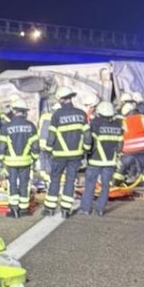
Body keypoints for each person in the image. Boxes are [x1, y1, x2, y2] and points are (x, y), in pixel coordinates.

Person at [44, 86, 88, 218]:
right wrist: (85, 150)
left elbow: (51, 137)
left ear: (61, 99)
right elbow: (87, 136)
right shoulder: (81, 114)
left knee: (55, 180)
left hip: (59, 155)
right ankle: (66, 209)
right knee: (70, 181)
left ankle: (50, 208)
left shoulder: (57, 115)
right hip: (76, 155)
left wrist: (48, 150)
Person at [0, 96, 39, 218]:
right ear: (25, 112)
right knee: (25, 183)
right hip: (26, 161)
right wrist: (34, 158)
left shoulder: (6, 127)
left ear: (14, 111)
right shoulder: (31, 126)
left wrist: (0, 159)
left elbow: (1, 146)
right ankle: (24, 209)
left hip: (10, 162)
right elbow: (35, 146)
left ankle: (13, 209)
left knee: (12, 183)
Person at [79, 101, 124, 216]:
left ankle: (85, 209)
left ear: (99, 113)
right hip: (110, 162)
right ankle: (100, 209)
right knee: (105, 186)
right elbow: (119, 148)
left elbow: (89, 142)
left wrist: (85, 154)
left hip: (95, 160)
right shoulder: (117, 127)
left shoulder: (94, 125)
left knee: (90, 185)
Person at [113, 101, 144, 194]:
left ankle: (115, 184)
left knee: (123, 167)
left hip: (130, 148)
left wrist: (119, 150)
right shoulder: (143, 117)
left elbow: (121, 136)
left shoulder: (124, 121)